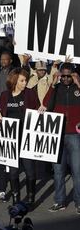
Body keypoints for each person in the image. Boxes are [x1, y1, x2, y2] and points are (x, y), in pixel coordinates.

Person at [0, 68, 40, 207]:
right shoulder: (5, 95)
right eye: (22, 80)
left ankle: (31, 198)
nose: (25, 82)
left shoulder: (30, 93)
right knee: (13, 173)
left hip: (26, 139)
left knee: (30, 172)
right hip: (11, 141)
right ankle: (16, 199)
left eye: (25, 80)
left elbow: (38, 108)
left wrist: (41, 109)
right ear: (14, 80)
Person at [43, 63, 80, 214]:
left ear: (73, 75)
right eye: (62, 75)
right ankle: (60, 201)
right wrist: (52, 84)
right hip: (57, 135)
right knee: (58, 171)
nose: (65, 78)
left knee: (77, 171)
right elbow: (46, 104)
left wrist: (79, 84)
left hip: (75, 135)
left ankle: (79, 202)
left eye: (68, 75)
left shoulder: (78, 88)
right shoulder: (56, 88)